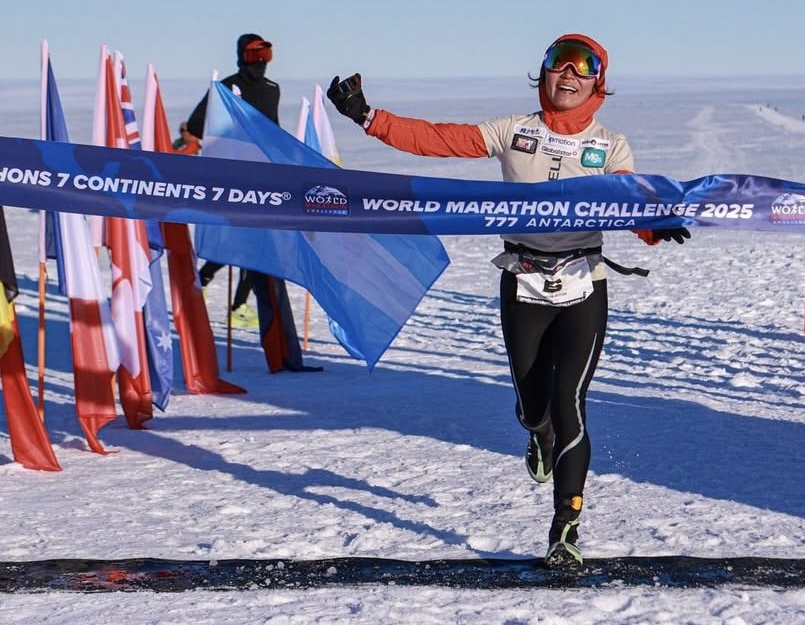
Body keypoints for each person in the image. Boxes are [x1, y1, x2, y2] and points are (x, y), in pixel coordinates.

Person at [327, 34, 689, 569]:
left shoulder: (610, 144)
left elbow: (628, 197)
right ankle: (537, 433)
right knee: (534, 407)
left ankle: (565, 528)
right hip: (523, 280)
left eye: (583, 66)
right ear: (543, 73)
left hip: (584, 282)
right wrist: (367, 116)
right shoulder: (514, 131)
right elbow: (439, 140)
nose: (569, 75)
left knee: (570, 405)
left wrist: (655, 225)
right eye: (558, 63)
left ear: (598, 81)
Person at [188, 34, 321, 372]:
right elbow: (197, 126)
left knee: (268, 269)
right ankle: (282, 354)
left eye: (266, 54)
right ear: (242, 56)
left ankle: (284, 355)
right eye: (255, 55)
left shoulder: (272, 90)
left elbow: (272, 134)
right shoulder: (225, 89)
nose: (261, 62)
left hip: (267, 192)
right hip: (235, 192)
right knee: (246, 258)